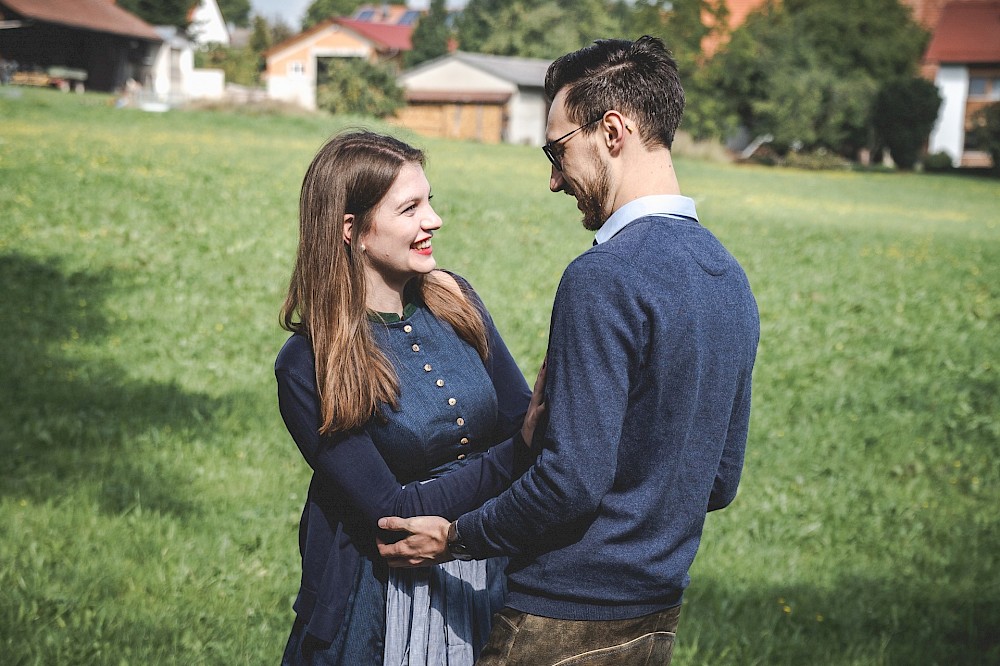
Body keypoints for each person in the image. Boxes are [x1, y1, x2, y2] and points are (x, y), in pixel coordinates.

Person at [377, 36, 760, 665]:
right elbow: (718, 481)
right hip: (655, 620)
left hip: (557, 621)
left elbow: (569, 481)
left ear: (612, 131)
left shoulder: (604, 277)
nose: (554, 180)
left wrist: (455, 537)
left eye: (558, 151)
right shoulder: (727, 276)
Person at [275, 129, 540, 665]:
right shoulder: (310, 362)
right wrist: (518, 452)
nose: (433, 220)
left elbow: (520, 416)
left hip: (489, 571)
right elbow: (390, 513)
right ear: (353, 230)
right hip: (374, 599)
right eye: (409, 208)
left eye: (430, 202)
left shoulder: (454, 297)